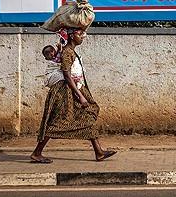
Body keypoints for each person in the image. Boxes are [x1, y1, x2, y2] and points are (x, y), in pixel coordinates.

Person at [31, 28, 116, 163]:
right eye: (79, 34)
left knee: (87, 117)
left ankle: (99, 152)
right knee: (59, 122)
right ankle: (37, 152)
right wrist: (81, 96)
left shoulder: (70, 51)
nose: (83, 36)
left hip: (72, 90)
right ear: (71, 36)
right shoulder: (66, 53)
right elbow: (67, 75)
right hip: (65, 93)